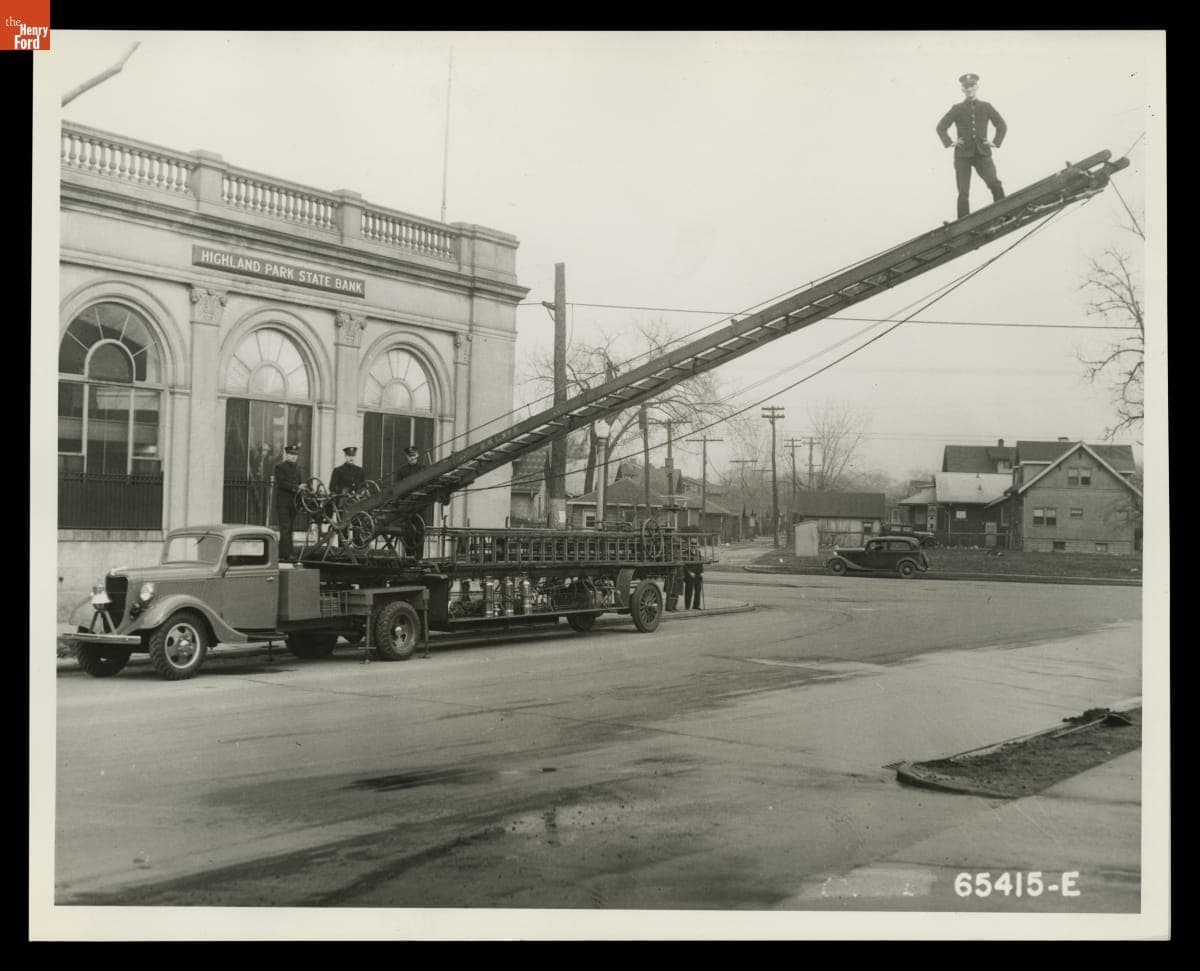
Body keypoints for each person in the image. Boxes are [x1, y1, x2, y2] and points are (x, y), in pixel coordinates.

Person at [936, 73, 1007, 219]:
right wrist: (950, 142)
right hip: (962, 156)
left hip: (982, 154)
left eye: (972, 86)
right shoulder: (956, 109)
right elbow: (941, 127)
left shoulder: (986, 107)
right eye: (966, 86)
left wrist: (995, 141)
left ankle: (1004, 213)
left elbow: (1001, 125)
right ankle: (963, 223)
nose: (969, 89)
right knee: (963, 192)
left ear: (977, 87)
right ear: (962, 89)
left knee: (994, 183)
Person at [395, 445, 427, 558]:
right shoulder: (402, 471)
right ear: (406, 457)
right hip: (407, 508)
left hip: (420, 507)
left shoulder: (423, 469)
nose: (411, 458)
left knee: (419, 532)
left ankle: (419, 559)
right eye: (409, 456)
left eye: (413, 455)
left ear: (417, 455)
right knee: (408, 533)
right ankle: (409, 558)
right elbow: (397, 488)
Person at [273, 444, 302, 560]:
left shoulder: (298, 469)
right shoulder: (280, 467)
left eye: (295, 454)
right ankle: (287, 554)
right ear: (286, 455)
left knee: (290, 529)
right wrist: (297, 487)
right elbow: (281, 483)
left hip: (293, 504)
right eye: (291, 454)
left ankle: (284, 552)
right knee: (285, 528)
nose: (293, 457)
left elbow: (299, 484)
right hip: (283, 504)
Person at [683, 543, 704, 610]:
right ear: (690, 546)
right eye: (692, 546)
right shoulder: (686, 553)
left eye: (694, 546)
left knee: (698, 590)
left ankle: (696, 606)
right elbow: (684, 565)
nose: (693, 547)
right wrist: (689, 573)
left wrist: (702, 572)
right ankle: (687, 606)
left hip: (697, 574)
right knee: (689, 591)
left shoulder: (698, 552)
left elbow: (700, 563)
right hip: (690, 575)